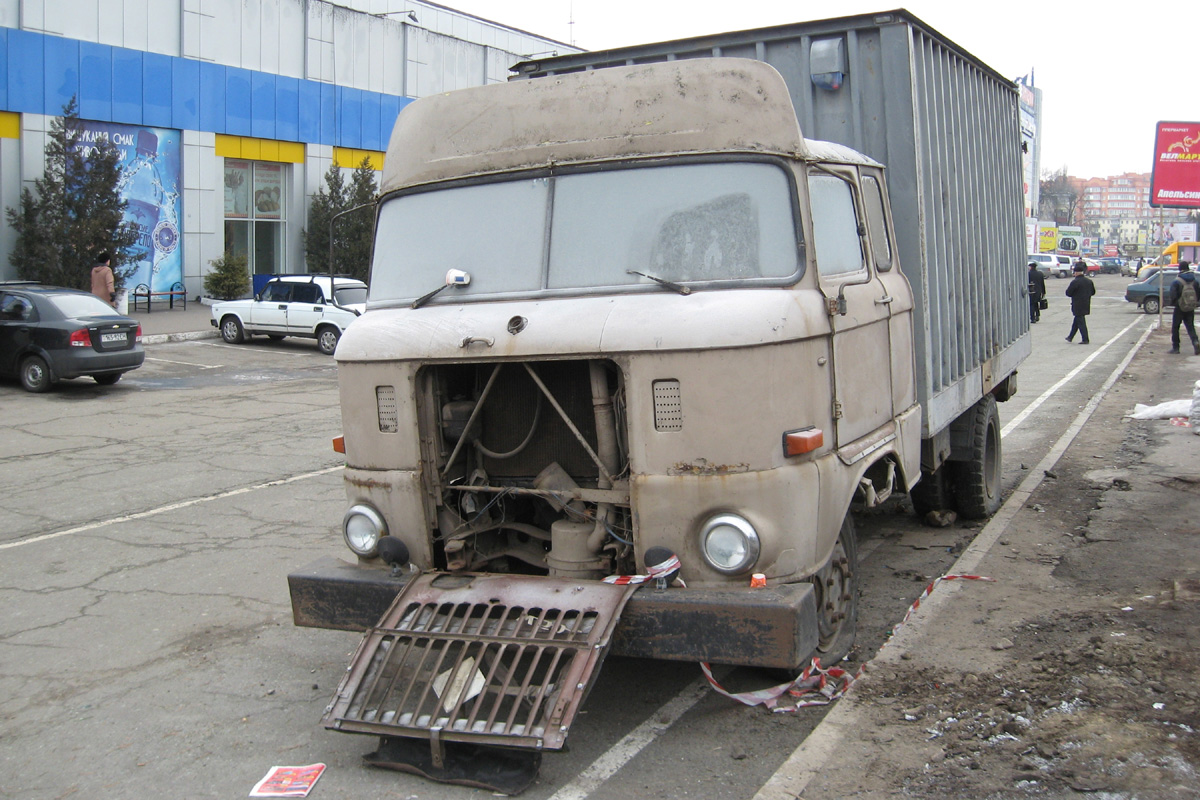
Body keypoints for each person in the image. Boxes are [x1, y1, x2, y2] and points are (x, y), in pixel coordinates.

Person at [1168, 260, 1199, 355]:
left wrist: (1175, 303)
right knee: (1190, 326)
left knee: (1175, 327)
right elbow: (1198, 294)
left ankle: (1176, 347)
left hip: (1179, 307)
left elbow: (1173, 294)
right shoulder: (1195, 280)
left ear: (1180, 268)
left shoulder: (1177, 281)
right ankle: (1196, 342)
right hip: (1190, 307)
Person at [1065, 261, 1095, 344]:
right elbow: (1093, 292)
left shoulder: (1075, 282)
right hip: (1086, 303)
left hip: (1077, 304)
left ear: (1076, 272)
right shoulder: (1089, 281)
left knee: (1081, 322)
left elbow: (1068, 293)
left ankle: (1085, 339)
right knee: (1077, 320)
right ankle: (1070, 337)